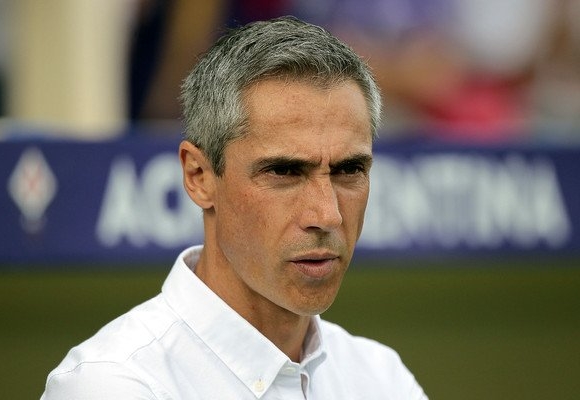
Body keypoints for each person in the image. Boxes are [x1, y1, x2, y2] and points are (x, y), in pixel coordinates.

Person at [41, 16, 428, 399]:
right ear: (198, 176)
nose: (327, 215)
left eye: (350, 169)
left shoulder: (381, 377)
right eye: (284, 171)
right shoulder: (111, 385)